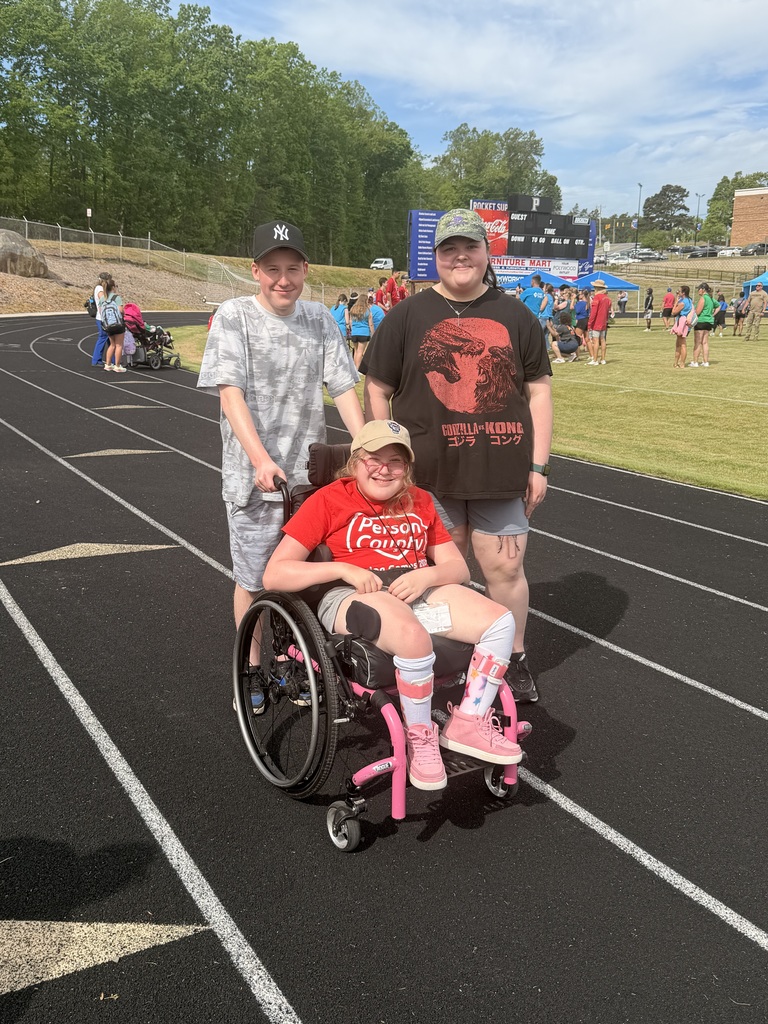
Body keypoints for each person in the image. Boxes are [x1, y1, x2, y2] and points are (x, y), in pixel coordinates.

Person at [262, 420, 524, 790]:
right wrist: (343, 568)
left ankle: (468, 721)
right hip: (350, 595)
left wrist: (426, 577)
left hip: (415, 589)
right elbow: (275, 574)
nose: (384, 469)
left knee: (500, 622)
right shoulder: (327, 500)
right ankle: (420, 738)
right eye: (374, 459)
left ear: (407, 468)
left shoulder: (421, 500)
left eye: (396, 462)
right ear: (355, 462)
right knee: (411, 635)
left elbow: (457, 567)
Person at [361, 208, 553, 704]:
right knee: (439, 574)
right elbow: (377, 386)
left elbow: (539, 393)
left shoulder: (516, 315)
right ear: (436, 258)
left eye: (469, 247)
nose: (460, 257)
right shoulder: (406, 314)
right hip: (429, 477)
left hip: (502, 471)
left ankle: (514, 658)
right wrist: (383, 448)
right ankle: (448, 658)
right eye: (449, 249)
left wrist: (538, 465)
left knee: (505, 572)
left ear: (487, 253)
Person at [197, 219, 364, 632]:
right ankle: (251, 668)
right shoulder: (234, 316)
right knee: (253, 583)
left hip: (310, 483)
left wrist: (366, 446)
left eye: (292, 269)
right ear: (256, 271)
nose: (283, 280)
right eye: (273, 269)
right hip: (255, 481)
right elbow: (230, 393)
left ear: (306, 270)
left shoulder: (320, 318)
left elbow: (342, 386)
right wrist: (259, 459)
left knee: (312, 577)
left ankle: (300, 662)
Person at [99, 275, 126, 373]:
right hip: (118, 324)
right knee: (119, 345)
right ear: (113, 287)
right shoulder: (116, 297)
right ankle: (117, 366)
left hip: (108, 325)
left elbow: (100, 311)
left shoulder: (102, 299)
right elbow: (120, 310)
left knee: (112, 345)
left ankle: (108, 364)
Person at [345, 291, 376, 369]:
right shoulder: (367, 311)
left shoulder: (353, 309)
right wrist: (373, 333)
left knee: (356, 351)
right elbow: (371, 324)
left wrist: (353, 329)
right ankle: (357, 368)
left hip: (354, 333)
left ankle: (355, 367)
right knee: (360, 352)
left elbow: (350, 322)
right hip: (364, 332)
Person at [690, 282, 715, 367]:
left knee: (697, 342)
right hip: (708, 322)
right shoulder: (710, 298)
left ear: (703, 289)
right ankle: (706, 361)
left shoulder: (703, 298)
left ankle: (695, 361)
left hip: (701, 321)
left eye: (699, 289)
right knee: (705, 342)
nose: (698, 291)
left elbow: (698, 311)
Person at [586, 279, 611, 364]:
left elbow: (594, 312)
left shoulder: (597, 298)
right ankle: (603, 359)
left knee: (595, 341)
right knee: (603, 340)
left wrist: (589, 323)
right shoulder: (607, 298)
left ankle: (595, 359)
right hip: (604, 321)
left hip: (596, 322)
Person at [90, 271, 111, 366]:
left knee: (110, 339)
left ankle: (114, 359)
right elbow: (103, 301)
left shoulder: (100, 288)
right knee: (103, 337)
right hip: (103, 318)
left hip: (104, 317)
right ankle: (96, 360)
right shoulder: (100, 289)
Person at [670, 285, 693, 368]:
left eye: (679, 291)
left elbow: (673, 312)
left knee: (682, 344)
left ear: (683, 293)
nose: (677, 292)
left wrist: (676, 301)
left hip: (682, 324)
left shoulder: (683, 302)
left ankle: (682, 363)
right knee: (679, 344)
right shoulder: (690, 300)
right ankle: (676, 363)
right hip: (686, 325)